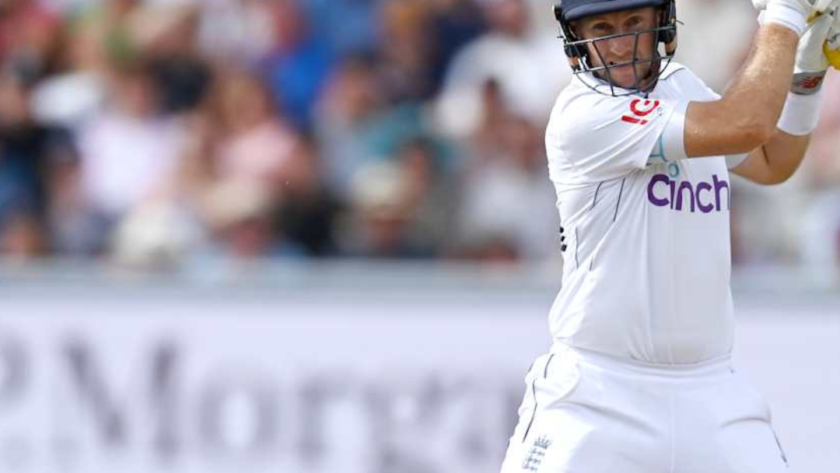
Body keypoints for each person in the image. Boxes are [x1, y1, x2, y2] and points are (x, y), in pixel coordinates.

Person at [499, 0, 838, 472]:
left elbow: (773, 161)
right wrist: (784, 14)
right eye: (602, 27)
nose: (619, 44)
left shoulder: (682, 86)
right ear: (576, 41)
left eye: (633, 23)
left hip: (712, 390)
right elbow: (746, 124)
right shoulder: (583, 114)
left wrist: (806, 70)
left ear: (663, 23)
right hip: (598, 394)